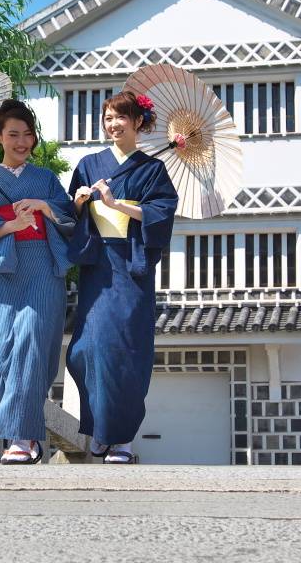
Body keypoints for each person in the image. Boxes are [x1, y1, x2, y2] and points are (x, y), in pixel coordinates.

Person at [66, 91, 178, 464]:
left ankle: (123, 439)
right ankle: (101, 430)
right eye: (108, 117)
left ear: (138, 122)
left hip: (131, 265)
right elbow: (69, 217)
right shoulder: (88, 163)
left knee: (127, 350)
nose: (113, 124)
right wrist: (81, 202)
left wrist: (117, 205)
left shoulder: (153, 169)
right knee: (86, 349)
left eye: (121, 117)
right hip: (97, 263)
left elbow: (161, 212)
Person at [0, 99, 74, 464]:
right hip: (2, 271)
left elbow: (69, 218)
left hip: (41, 268)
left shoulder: (45, 179)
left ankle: (21, 439)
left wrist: (43, 209)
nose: (22, 142)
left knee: (31, 344)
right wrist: (10, 225)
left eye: (28, 135)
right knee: (2, 350)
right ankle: (21, 433)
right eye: (13, 134)